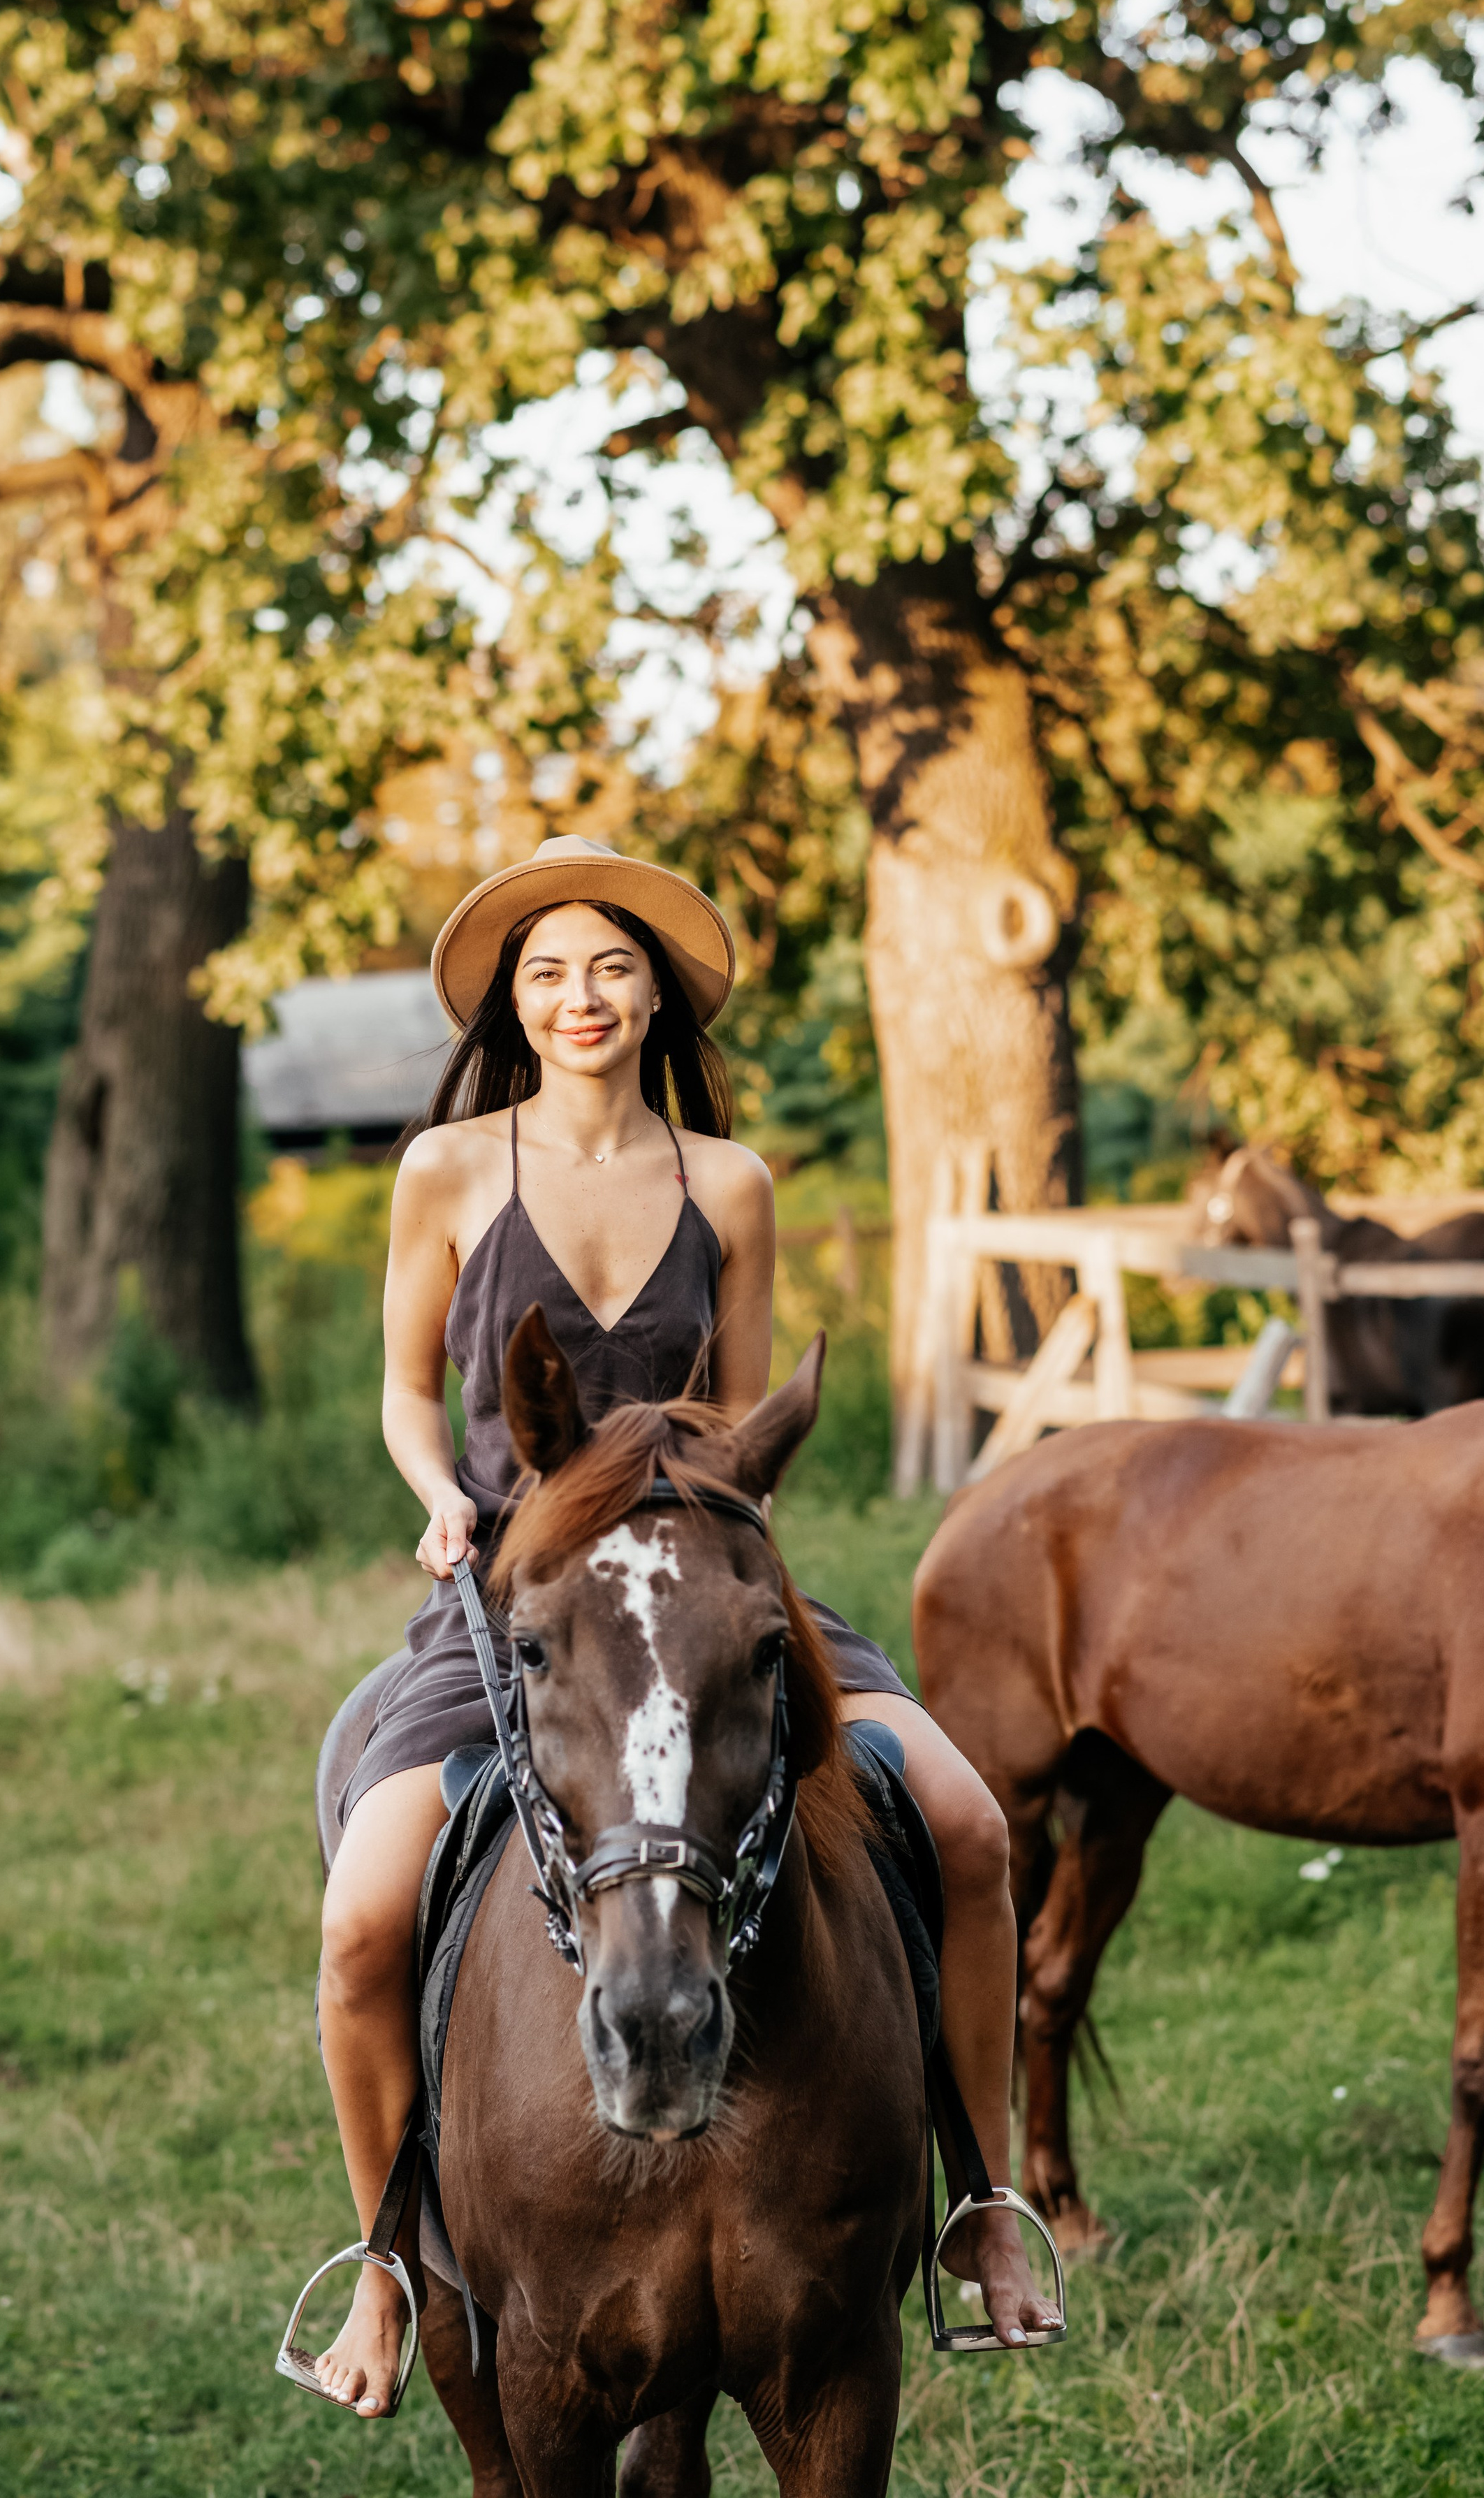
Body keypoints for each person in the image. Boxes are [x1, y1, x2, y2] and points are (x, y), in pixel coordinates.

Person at [312, 836, 1059, 2415]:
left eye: (608, 966)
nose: (578, 996)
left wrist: (734, 1576)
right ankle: (384, 2264)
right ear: (512, 1006)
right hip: (515, 1591)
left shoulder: (730, 1182)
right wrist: (444, 1489)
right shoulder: (445, 1169)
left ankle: (987, 2207)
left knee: (971, 1826)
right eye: (545, 973)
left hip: (707, 1582)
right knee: (367, 1914)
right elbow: (396, 1383)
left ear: (657, 992)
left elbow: (729, 1410)